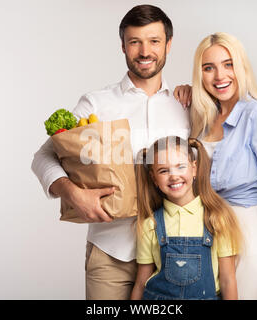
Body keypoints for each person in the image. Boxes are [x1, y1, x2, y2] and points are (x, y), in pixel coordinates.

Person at [31, 5, 190, 300]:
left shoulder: (187, 106)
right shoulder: (96, 104)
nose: (145, 51)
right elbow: (43, 157)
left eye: (154, 41)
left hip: (177, 255)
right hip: (112, 255)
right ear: (123, 46)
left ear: (168, 44)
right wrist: (73, 194)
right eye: (135, 42)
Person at [173, 32, 257, 299]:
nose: (220, 76)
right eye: (209, 68)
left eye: (228, 64)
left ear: (241, 67)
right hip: (209, 237)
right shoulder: (202, 117)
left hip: (250, 237)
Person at [131, 136, 242, 300]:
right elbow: (141, 283)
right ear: (154, 178)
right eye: (164, 170)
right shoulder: (150, 224)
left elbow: (228, 281)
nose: (173, 176)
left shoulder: (217, 219)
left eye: (180, 167)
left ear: (194, 168)